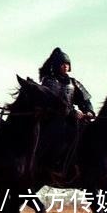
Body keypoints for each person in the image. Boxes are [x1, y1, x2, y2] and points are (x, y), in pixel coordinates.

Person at [38, 47, 94, 182]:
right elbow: (54, 102)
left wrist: (88, 111)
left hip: (72, 119)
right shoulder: (49, 81)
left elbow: (85, 101)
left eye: (67, 64)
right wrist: (73, 112)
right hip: (53, 118)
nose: (65, 66)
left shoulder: (74, 83)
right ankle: (57, 165)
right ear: (57, 65)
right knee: (66, 132)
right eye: (62, 64)